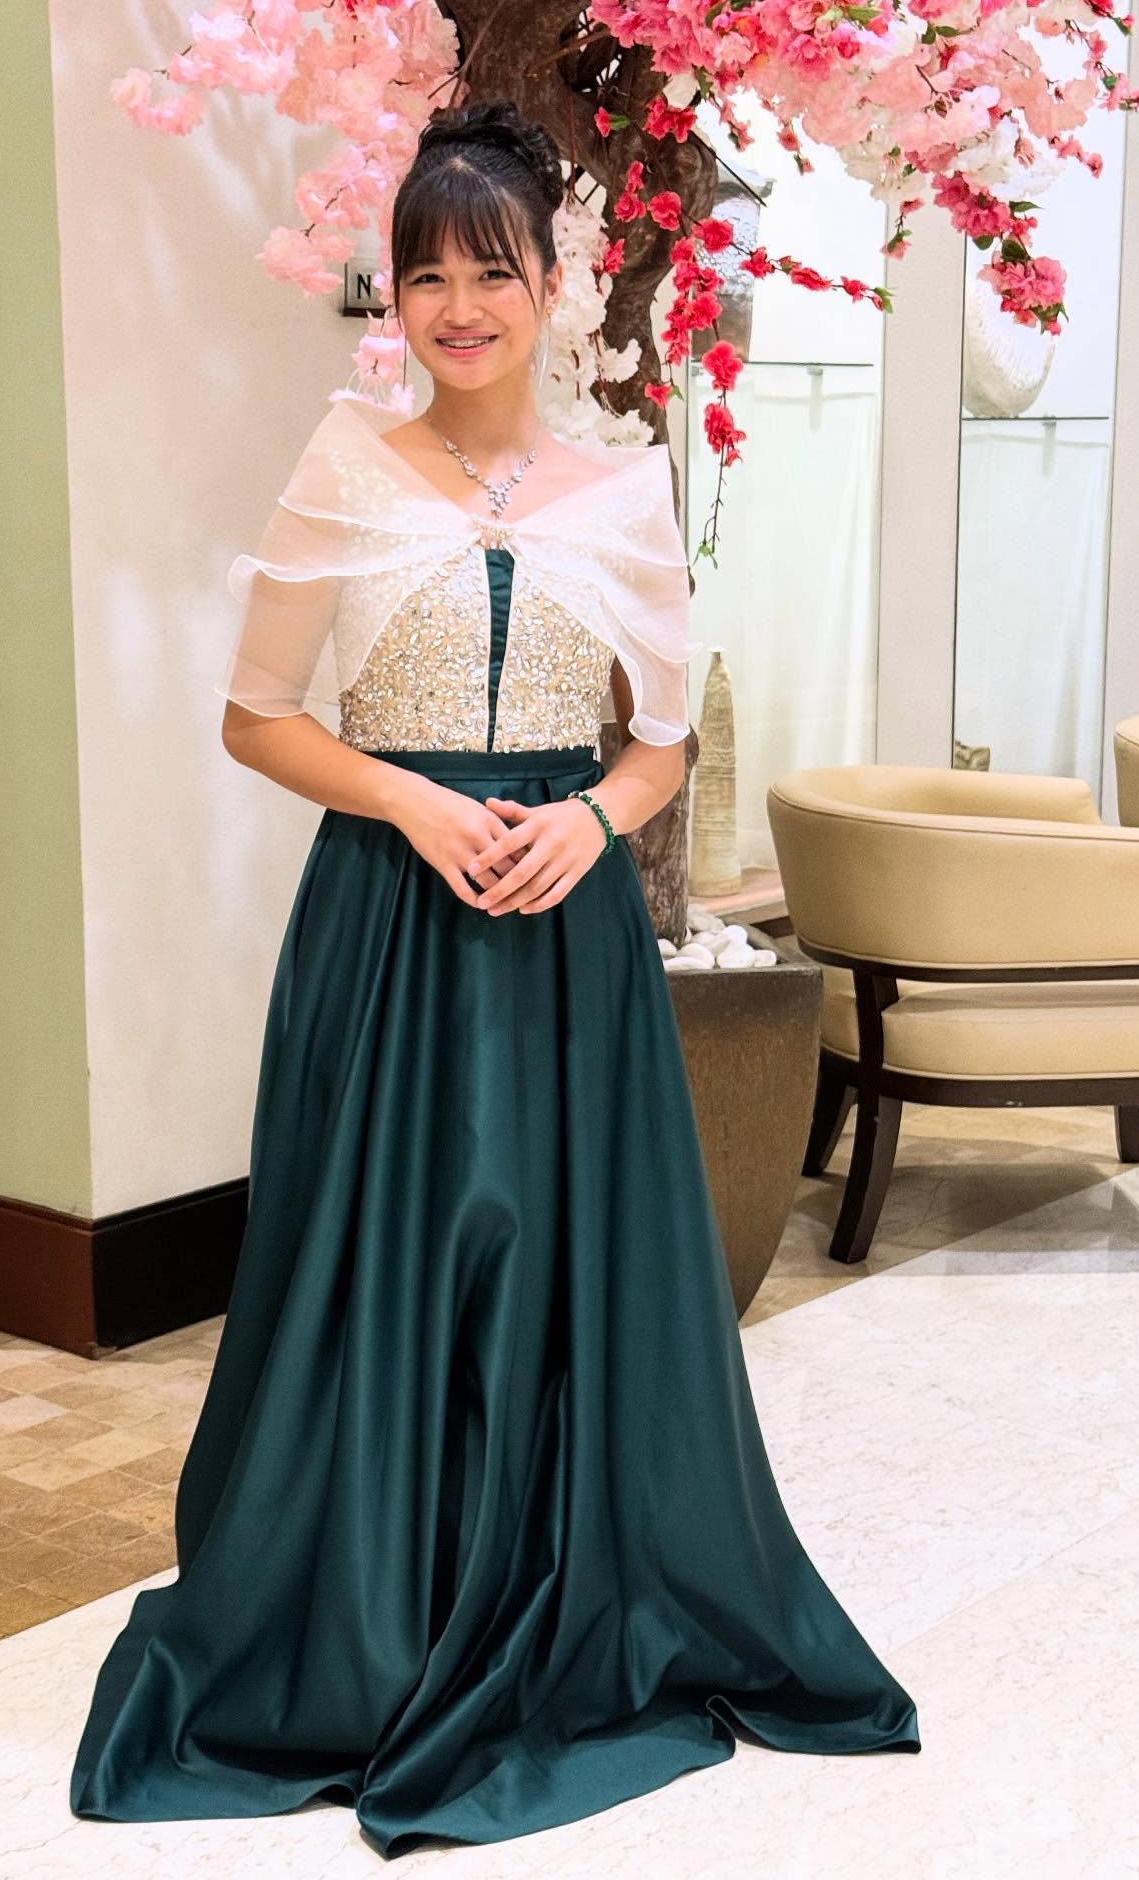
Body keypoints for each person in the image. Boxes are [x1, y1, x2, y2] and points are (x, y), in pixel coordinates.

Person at [68, 98, 919, 1860]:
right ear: (395, 295)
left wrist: (591, 825)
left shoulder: (626, 488)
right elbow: (257, 718)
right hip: (391, 921)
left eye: (494, 271)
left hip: (563, 930)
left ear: (553, 283)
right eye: (429, 275)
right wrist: (416, 803)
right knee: (386, 1249)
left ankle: (560, 1582)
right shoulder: (343, 467)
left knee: (554, 1252)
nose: (461, 307)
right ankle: (370, 1608)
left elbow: (662, 742)